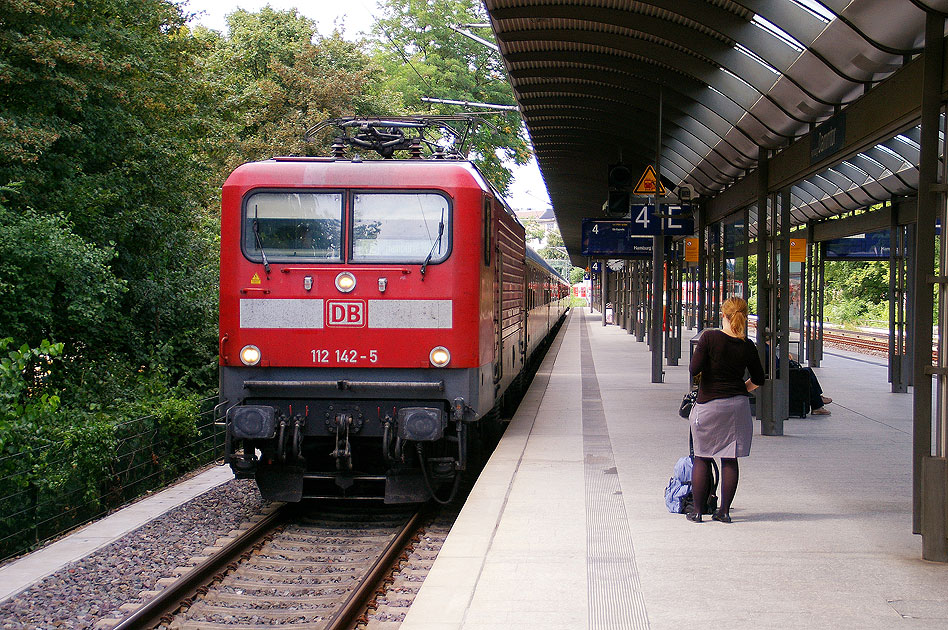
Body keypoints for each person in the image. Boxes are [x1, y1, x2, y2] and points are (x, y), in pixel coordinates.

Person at [687, 296, 766, 523]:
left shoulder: (710, 337)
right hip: (737, 406)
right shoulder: (746, 345)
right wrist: (742, 388)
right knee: (730, 458)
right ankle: (724, 512)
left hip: (709, 404)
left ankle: (698, 511)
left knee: (702, 456)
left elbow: (694, 369)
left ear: (723, 314)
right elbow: (759, 378)